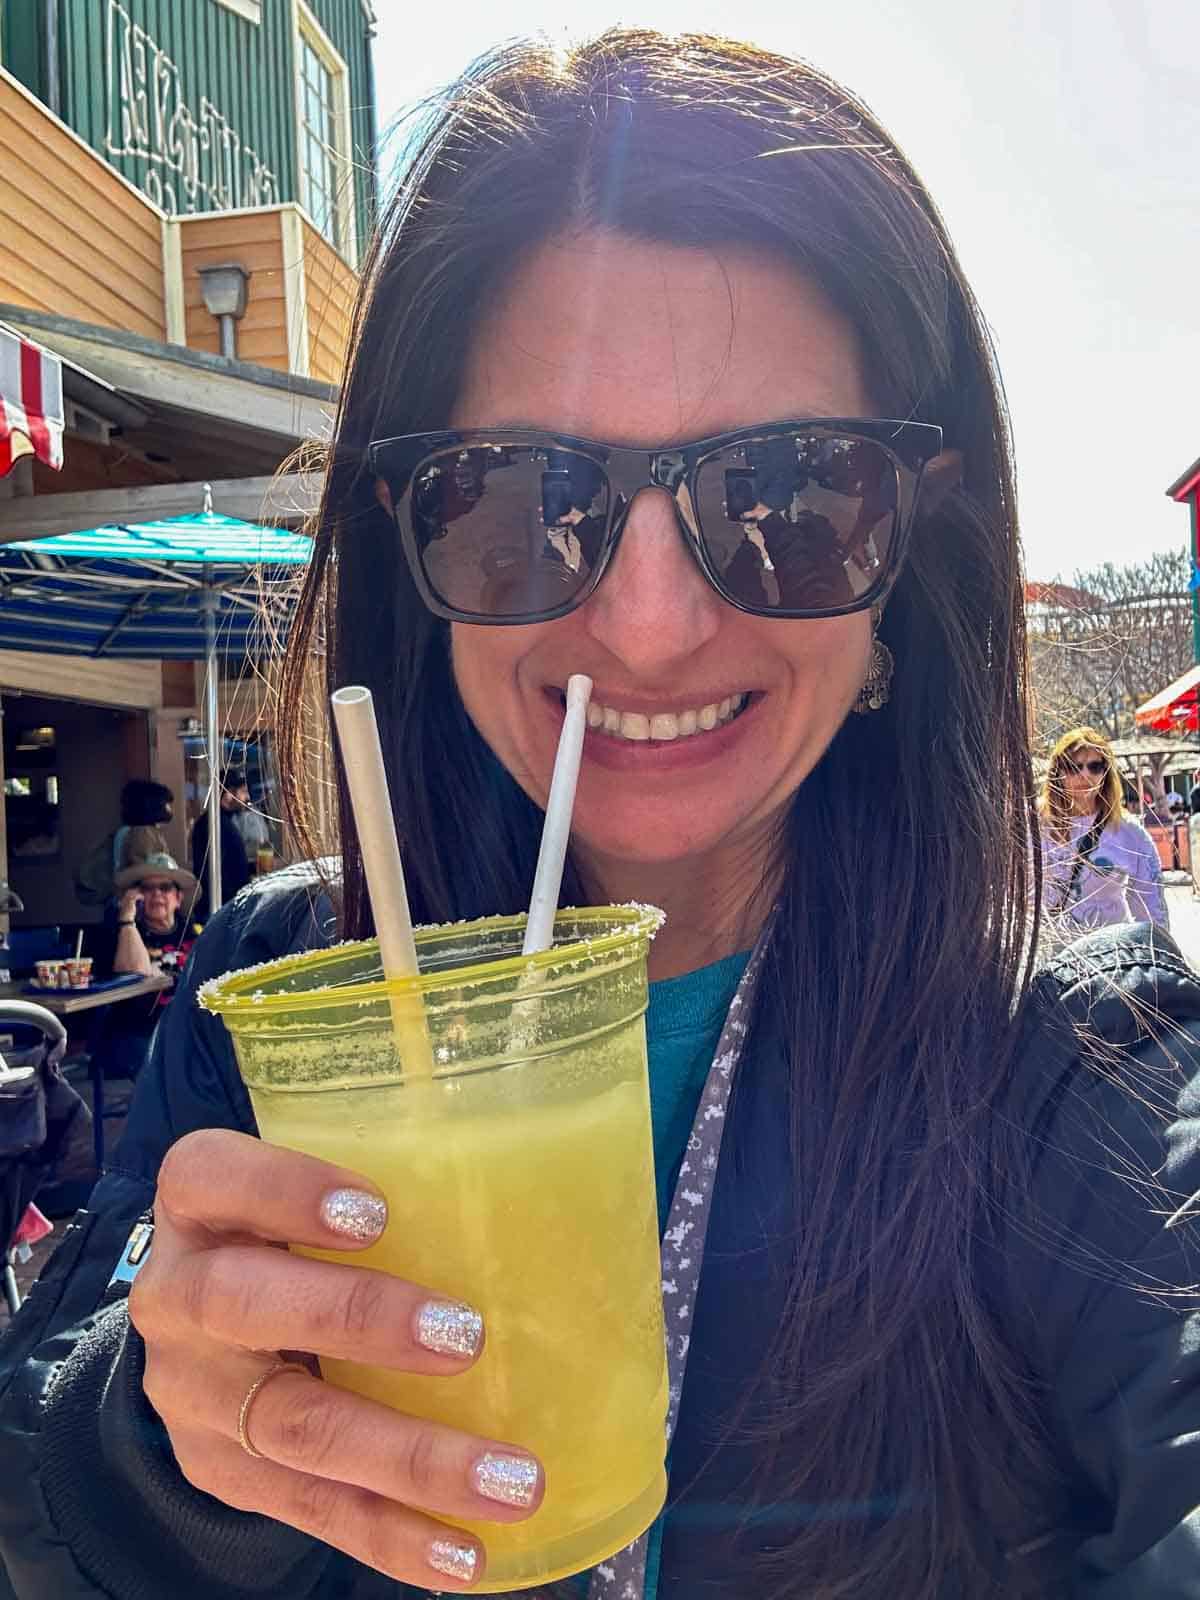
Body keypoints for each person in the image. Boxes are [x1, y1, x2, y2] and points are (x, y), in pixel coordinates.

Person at [4, 31, 1200, 1600]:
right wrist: (160, 1448)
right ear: (408, 531)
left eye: (789, 499)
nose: (646, 627)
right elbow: (38, 1481)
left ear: (912, 545)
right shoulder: (276, 987)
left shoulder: (1086, 1078)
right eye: (519, 501)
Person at [1039, 726, 1168, 935]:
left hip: (1111, 958)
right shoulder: (1033, 827)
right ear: (1058, 771)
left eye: (1095, 766)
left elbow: (1152, 910)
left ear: (1106, 772)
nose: (1084, 774)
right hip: (1051, 957)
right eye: (1073, 766)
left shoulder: (1130, 832)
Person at [88, 854, 202, 1080]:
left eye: (165, 887)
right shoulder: (123, 933)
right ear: (137, 897)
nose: (157, 894)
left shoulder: (193, 931)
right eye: (148, 889)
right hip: (135, 1033)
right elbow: (137, 971)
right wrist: (127, 919)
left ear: (178, 898)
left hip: (184, 1030)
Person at [74, 779, 175, 908]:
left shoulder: (127, 831)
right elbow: (146, 873)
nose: (169, 808)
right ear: (153, 804)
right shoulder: (144, 833)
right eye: (166, 803)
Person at [189, 767, 251, 916]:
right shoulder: (214, 824)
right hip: (221, 909)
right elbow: (216, 873)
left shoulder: (221, 822)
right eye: (243, 791)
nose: (247, 797)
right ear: (228, 794)